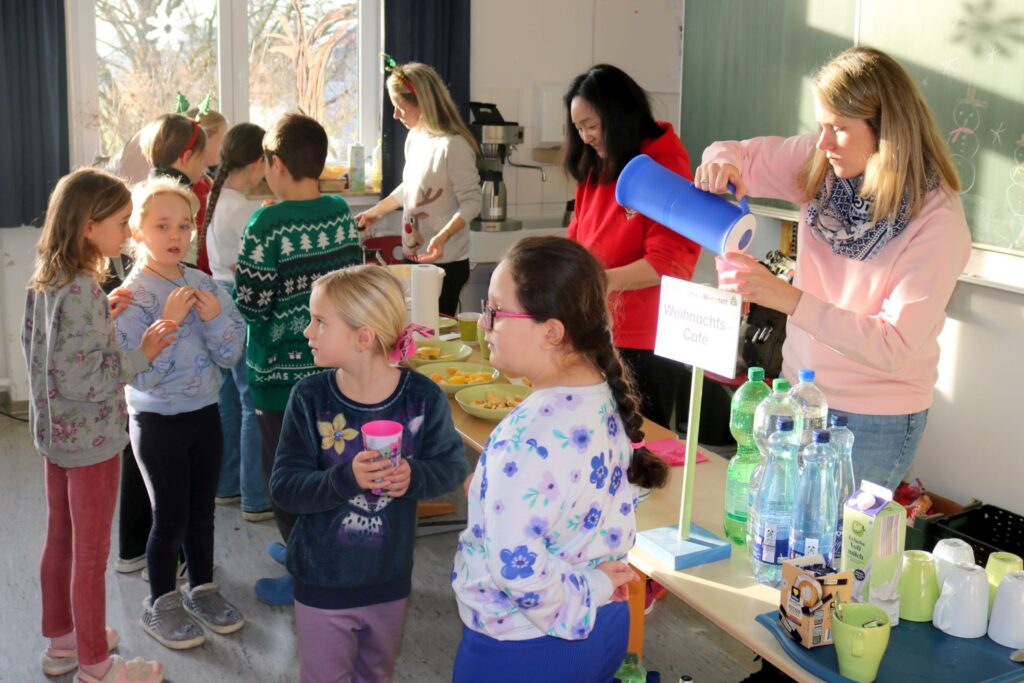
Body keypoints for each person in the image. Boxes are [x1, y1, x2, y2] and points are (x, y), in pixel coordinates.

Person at [699, 46, 970, 491]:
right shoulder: (820, 162)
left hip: (873, 417)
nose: (823, 143)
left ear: (888, 132)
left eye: (840, 129)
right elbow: (734, 154)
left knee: (837, 556)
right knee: (784, 540)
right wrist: (720, 163)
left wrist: (783, 297)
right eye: (821, 126)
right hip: (799, 393)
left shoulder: (936, 219)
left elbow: (893, 344)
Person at [451, 236, 669, 683]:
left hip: (526, 646)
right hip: (603, 625)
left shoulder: (530, 432)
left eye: (494, 310)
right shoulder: (601, 394)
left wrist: (593, 585)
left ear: (552, 331)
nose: (483, 322)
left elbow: (517, 566)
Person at [270, 265, 468, 682]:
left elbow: (451, 467)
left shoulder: (422, 397)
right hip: (321, 581)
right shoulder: (309, 398)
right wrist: (345, 478)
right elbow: (284, 488)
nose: (308, 332)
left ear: (363, 337)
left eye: (320, 322)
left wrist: (412, 477)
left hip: (389, 580)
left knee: (376, 674)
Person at [22, 168, 172, 682]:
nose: (129, 233)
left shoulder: (47, 277)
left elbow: (46, 351)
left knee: (59, 539)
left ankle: (62, 643)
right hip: (91, 441)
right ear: (89, 225)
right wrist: (142, 353)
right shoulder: (83, 290)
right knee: (91, 555)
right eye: (123, 222)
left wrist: (103, 313)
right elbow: (85, 376)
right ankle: (95, 664)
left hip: (54, 434)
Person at [234, 113, 364, 605]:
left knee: (286, 479)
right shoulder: (338, 211)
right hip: (336, 374)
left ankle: (306, 569)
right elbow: (355, 283)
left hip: (280, 380)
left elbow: (250, 304)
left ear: (276, 164)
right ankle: (311, 551)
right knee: (329, 467)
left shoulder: (264, 224)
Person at [115, 177, 247, 650]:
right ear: (137, 233)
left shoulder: (203, 282)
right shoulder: (130, 298)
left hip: (204, 413)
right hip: (156, 422)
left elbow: (232, 355)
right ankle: (161, 601)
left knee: (201, 512)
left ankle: (202, 589)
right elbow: (141, 377)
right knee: (168, 516)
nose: (175, 236)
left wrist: (211, 319)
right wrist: (167, 325)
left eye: (184, 225)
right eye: (161, 226)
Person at [563, 64, 701, 430]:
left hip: (644, 340)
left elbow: (666, 264)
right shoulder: (598, 162)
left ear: (618, 114)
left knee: (639, 446)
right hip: (598, 326)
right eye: (578, 128)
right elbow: (577, 237)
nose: (586, 136)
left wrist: (593, 282)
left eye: (591, 125)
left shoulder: (664, 166)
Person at [355, 60, 481, 315]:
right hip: (413, 256)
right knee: (416, 332)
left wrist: (443, 236)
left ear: (422, 103)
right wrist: (377, 211)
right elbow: (411, 187)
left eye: (400, 107)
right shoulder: (415, 138)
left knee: (435, 334)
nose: (395, 115)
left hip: (445, 262)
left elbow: (472, 202)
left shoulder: (452, 146)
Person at [203, 122, 273, 523]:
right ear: (257, 162)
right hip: (238, 302)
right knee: (251, 401)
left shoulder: (221, 202)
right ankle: (254, 497)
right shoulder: (244, 210)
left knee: (229, 397)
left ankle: (227, 486)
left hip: (218, 297)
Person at [138, 113, 209, 267]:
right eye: (202, 159)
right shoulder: (185, 198)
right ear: (187, 157)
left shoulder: (141, 189)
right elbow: (186, 258)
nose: (204, 167)